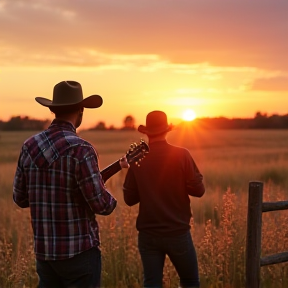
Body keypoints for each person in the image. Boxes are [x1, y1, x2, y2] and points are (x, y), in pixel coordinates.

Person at [13, 80, 129, 288]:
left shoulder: (28, 146)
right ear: (80, 111)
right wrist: (107, 192)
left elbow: (20, 199)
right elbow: (102, 205)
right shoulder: (81, 149)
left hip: (45, 254)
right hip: (79, 253)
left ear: (54, 110)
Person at [123, 110, 205, 288]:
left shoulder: (138, 159)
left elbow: (129, 199)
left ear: (146, 132)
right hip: (177, 232)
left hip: (148, 235)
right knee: (190, 282)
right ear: (167, 130)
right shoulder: (182, 155)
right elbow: (199, 191)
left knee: (151, 284)